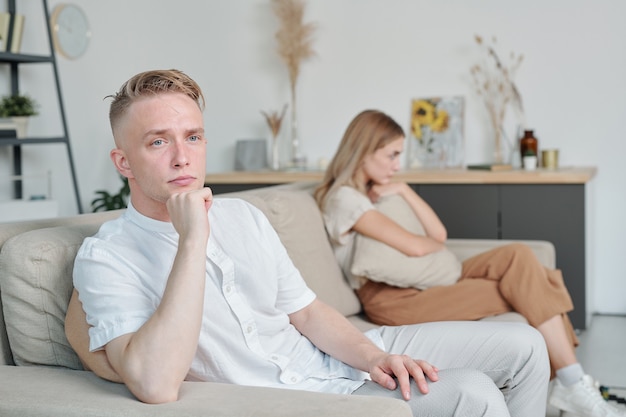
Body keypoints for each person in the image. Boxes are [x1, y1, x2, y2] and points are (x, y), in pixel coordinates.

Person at [64, 69, 551, 417]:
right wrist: (191, 240)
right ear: (123, 162)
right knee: (474, 393)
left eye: (193, 137)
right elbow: (154, 384)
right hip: (293, 393)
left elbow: (307, 312)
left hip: (337, 355)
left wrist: (373, 357)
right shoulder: (108, 257)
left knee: (527, 346)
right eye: (157, 142)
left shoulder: (243, 215)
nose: (181, 157)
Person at [314, 109, 626, 417]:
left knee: (518, 257)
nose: (397, 165)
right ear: (364, 150)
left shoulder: (375, 191)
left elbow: (439, 234)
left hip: (421, 281)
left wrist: (404, 190)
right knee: (526, 288)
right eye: (392, 155)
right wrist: (432, 244)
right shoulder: (343, 199)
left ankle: (572, 383)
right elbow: (416, 246)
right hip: (394, 299)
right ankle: (573, 383)